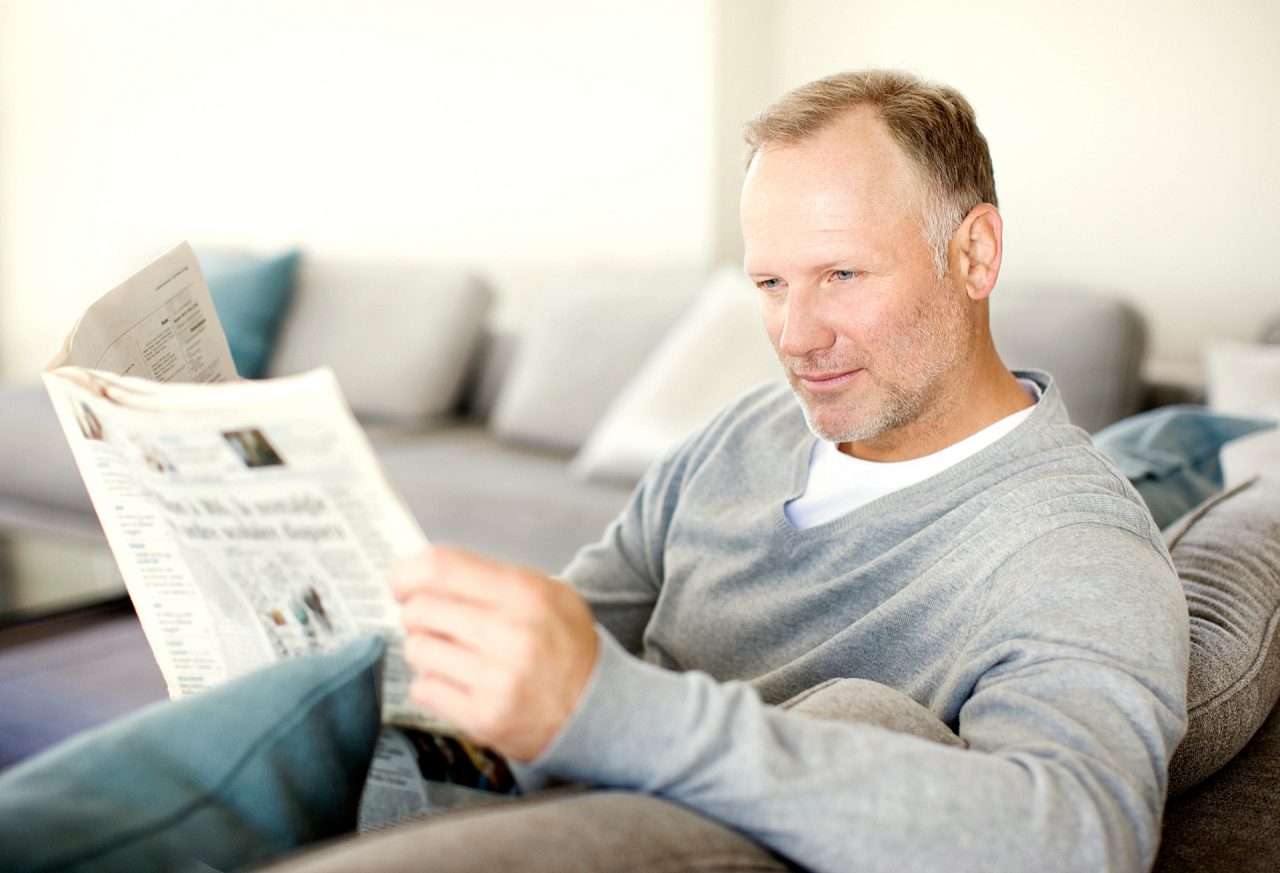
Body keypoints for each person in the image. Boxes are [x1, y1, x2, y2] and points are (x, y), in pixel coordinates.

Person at [280, 69, 1190, 873]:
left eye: (840, 274)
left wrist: (618, 713)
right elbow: (575, 626)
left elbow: (1084, 840)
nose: (796, 337)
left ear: (975, 254)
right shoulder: (745, 432)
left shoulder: (1074, 546)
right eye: (770, 284)